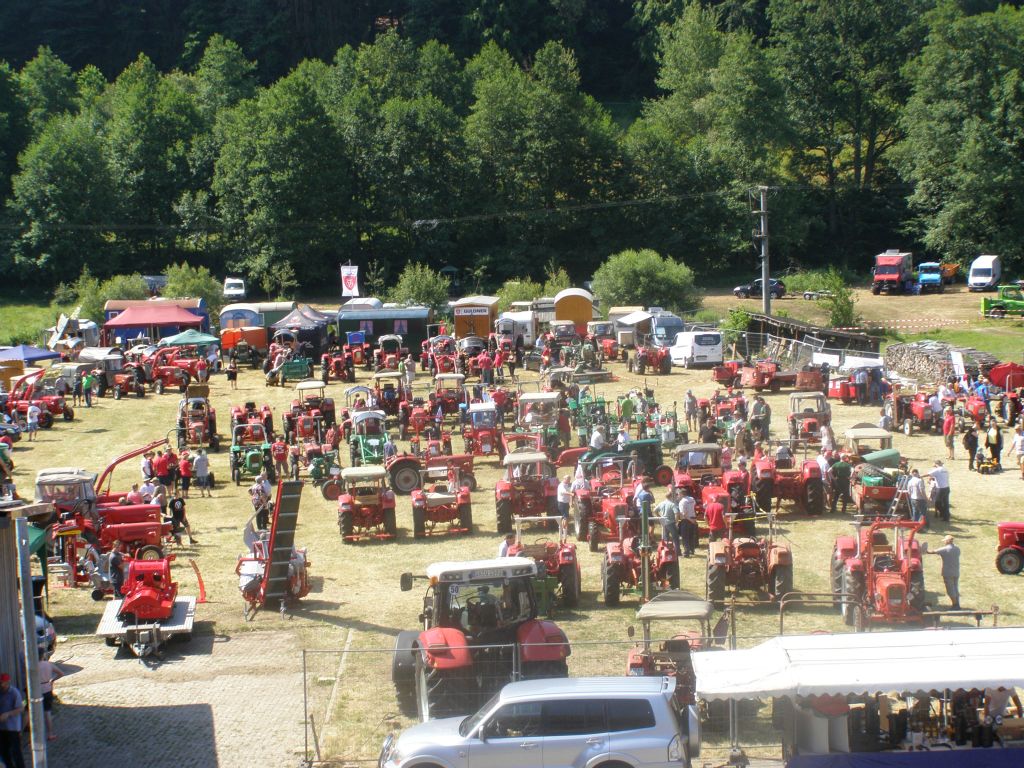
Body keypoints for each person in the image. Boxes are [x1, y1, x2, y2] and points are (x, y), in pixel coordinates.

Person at [0, 672, 25, 767]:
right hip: (2, 727)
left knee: (16, 752)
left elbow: (20, 708)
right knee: (4, 751)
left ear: (7, 682)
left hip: (13, 727)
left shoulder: (14, 693)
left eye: (3, 682)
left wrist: (8, 714)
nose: (1, 685)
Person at [929, 534, 961, 609]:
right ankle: (957, 604)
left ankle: (955, 605)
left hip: (947, 572)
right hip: (956, 571)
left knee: (950, 589)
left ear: (947, 541)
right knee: (955, 588)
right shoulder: (957, 549)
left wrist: (925, 550)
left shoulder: (945, 549)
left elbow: (932, 552)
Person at [37, 657, 63, 741]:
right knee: (47, 712)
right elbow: (61, 673)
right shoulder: (49, 664)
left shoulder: (34, 665)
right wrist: (52, 680)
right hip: (47, 689)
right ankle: (50, 734)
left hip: (37, 690)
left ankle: (34, 736)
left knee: (34, 713)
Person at [677, 489, 697, 557]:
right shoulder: (692, 499)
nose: (678, 495)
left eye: (679, 494)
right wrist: (692, 520)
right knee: (691, 535)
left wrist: (689, 519)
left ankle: (686, 552)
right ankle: (692, 550)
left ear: (682, 494)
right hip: (693, 518)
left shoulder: (682, 502)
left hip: (686, 520)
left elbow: (684, 513)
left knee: (685, 536)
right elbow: (694, 505)